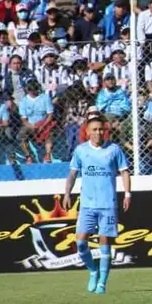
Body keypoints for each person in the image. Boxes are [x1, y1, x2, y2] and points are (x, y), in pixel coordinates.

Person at [62, 115, 131, 294]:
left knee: (104, 242)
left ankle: (102, 283)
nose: (98, 132)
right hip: (87, 205)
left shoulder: (114, 149)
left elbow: (124, 171)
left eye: (101, 129)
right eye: (94, 129)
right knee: (80, 242)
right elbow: (72, 173)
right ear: (87, 132)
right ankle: (93, 271)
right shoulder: (81, 151)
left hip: (108, 204)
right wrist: (67, 193)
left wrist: (127, 194)